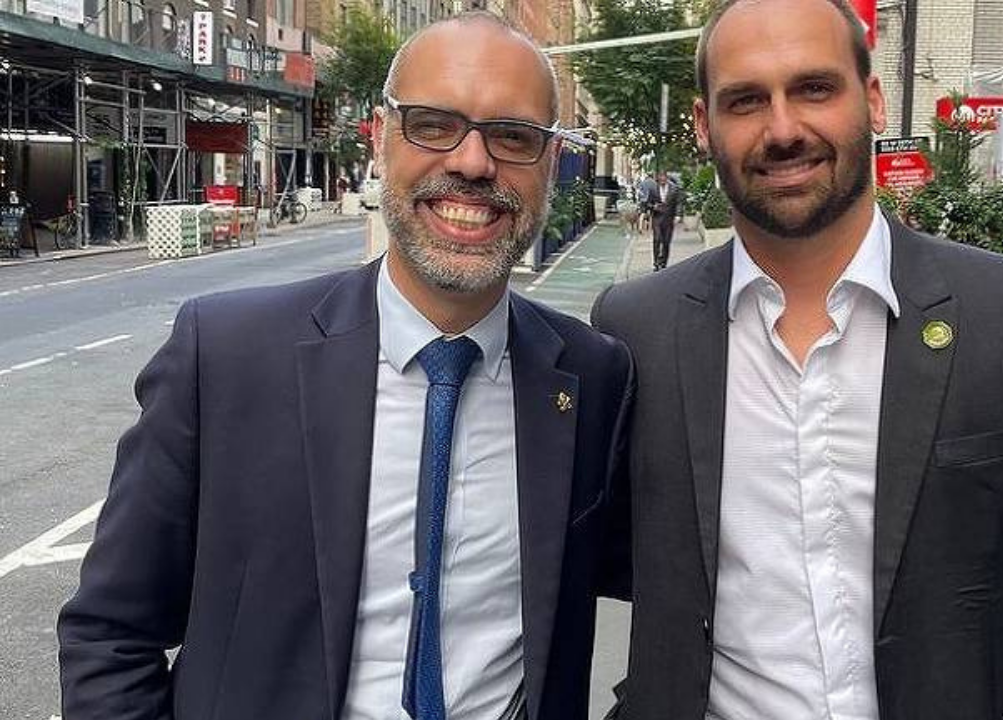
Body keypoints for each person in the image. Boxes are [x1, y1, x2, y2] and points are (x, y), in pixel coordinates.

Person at [592, 0, 1003, 718]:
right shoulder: (633, 331)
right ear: (706, 126)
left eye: (813, 88)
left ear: (870, 99)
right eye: (745, 100)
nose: (782, 129)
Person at [58, 13, 632, 720]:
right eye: (432, 123)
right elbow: (111, 633)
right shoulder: (225, 354)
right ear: (380, 137)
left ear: (550, 162)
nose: (474, 163)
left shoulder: (594, 378)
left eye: (513, 136)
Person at [644, 169, 682, 271]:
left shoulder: (674, 189)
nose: (662, 180)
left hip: (669, 218)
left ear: (666, 178)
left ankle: (663, 262)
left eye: (663, 178)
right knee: (657, 239)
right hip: (657, 218)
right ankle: (656, 263)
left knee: (666, 242)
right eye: (660, 178)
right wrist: (653, 207)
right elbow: (647, 203)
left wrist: (678, 215)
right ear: (657, 179)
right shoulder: (653, 189)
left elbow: (678, 203)